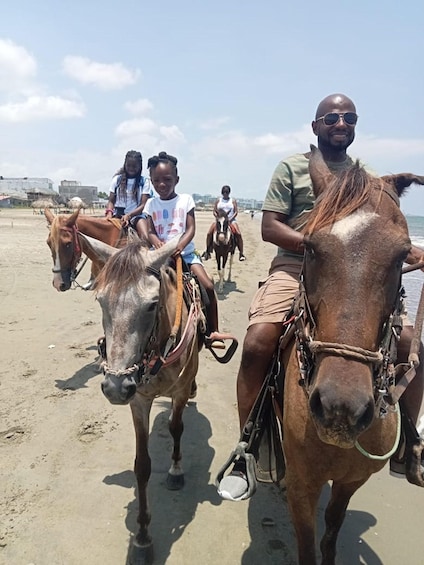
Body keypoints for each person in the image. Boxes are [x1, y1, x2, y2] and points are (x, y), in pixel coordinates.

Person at [217, 93, 424, 501]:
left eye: (349, 117)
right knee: (259, 340)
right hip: (296, 265)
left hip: (351, 274)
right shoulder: (292, 168)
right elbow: (270, 228)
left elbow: (376, 231)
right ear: (316, 126)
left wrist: (403, 250)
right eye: (331, 117)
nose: (340, 123)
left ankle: (408, 441)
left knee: (410, 342)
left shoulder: (368, 178)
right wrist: (317, 247)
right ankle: (247, 447)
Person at [134, 151, 226, 349]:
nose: (162, 185)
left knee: (208, 286)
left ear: (176, 179)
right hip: (158, 256)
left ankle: (213, 332)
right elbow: (150, 231)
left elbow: (191, 228)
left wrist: (180, 246)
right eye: (156, 180)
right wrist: (158, 244)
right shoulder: (150, 203)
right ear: (151, 181)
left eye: (167, 180)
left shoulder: (186, 200)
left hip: (185, 254)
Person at [105, 150, 153, 228]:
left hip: (136, 216)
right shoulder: (117, 180)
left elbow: (144, 204)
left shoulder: (144, 182)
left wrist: (129, 215)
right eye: (129, 165)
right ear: (125, 164)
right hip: (117, 215)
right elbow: (111, 201)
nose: (131, 168)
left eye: (134, 166)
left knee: (144, 235)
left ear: (139, 166)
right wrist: (109, 213)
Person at [202, 185, 246, 261]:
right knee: (209, 233)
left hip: (231, 220)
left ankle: (241, 253)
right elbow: (214, 211)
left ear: (229, 193)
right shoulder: (218, 200)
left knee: (238, 234)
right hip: (219, 220)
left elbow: (235, 212)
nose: (225, 194)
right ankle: (207, 251)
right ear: (222, 193)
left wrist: (229, 219)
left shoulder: (232, 201)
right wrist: (218, 217)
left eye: (227, 192)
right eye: (224, 192)